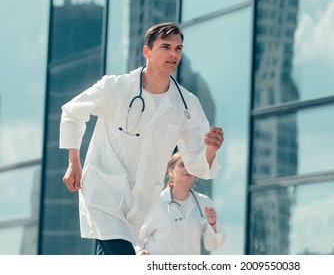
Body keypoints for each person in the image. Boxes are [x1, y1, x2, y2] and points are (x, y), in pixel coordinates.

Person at [59, 22, 224, 255]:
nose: (173, 54)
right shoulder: (116, 87)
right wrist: (73, 162)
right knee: (120, 253)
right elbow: (73, 112)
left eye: (178, 49)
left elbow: (196, 160)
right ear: (147, 51)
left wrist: (211, 150)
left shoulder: (187, 105)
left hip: (141, 202)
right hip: (104, 190)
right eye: (165, 46)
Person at [135, 152, 225, 255]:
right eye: (182, 165)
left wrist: (213, 223)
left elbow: (213, 245)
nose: (187, 169)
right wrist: (139, 252)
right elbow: (137, 238)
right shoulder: (156, 203)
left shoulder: (204, 202)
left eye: (191, 166)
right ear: (171, 172)